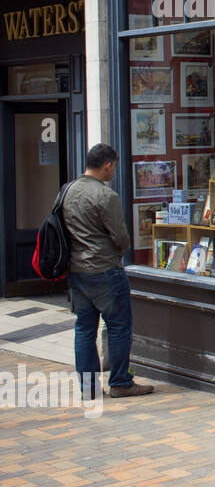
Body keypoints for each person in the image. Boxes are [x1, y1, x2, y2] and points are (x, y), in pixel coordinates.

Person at [62, 144, 153, 398]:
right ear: (107, 165)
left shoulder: (68, 191)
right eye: (114, 166)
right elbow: (122, 239)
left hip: (77, 271)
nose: (114, 170)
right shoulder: (106, 196)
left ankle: (90, 388)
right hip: (105, 270)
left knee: (84, 328)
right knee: (119, 327)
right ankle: (120, 382)